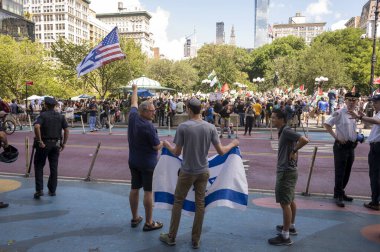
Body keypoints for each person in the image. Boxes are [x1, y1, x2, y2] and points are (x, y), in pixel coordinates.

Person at [159, 97, 239, 249]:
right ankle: (196, 239)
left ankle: (171, 236)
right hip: (203, 171)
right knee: (200, 204)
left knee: (178, 202)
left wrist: (167, 145)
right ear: (201, 110)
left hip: (187, 171)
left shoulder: (183, 127)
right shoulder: (210, 128)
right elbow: (221, 151)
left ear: (189, 109)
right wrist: (233, 143)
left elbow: (176, 152)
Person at [268, 109, 309, 246]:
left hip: (286, 172)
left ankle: (285, 236)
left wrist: (294, 150)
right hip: (290, 170)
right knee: (290, 200)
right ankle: (290, 226)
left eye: (274, 118)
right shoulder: (284, 131)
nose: (271, 120)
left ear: (282, 119)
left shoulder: (286, 131)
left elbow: (304, 139)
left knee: (284, 203)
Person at [128, 84, 164, 231]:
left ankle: (135, 217)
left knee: (134, 188)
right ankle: (149, 222)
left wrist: (134, 89)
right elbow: (156, 146)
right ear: (144, 111)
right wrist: (164, 143)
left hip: (133, 160)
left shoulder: (133, 116)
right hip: (148, 163)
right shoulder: (148, 126)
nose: (153, 113)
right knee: (148, 191)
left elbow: (133, 102)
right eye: (152, 111)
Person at [324, 92, 360, 207]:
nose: (351, 102)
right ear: (345, 101)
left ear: (357, 102)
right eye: (349, 100)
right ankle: (338, 194)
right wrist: (336, 137)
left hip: (351, 146)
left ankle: (341, 191)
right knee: (340, 171)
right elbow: (327, 124)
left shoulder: (355, 114)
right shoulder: (339, 112)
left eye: (354, 100)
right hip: (341, 146)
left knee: (347, 171)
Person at [348, 94, 380, 211]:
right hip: (376, 146)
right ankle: (376, 200)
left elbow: (376, 122)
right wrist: (363, 117)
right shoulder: (377, 113)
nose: (373, 105)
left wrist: (360, 117)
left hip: (377, 147)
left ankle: (375, 201)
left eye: (375, 102)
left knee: (375, 174)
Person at [33, 97, 69, 199]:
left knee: (39, 165)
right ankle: (52, 190)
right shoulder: (60, 116)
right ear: (55, 106)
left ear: (46, 105)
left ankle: (39, 190)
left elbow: (36, 127)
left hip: (44, 144)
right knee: (54, 167)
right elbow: (66, 130)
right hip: (56, 144)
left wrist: (39, 141)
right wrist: (64, 143)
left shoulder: (43, 115)